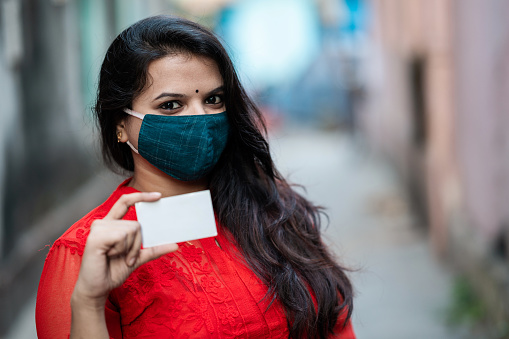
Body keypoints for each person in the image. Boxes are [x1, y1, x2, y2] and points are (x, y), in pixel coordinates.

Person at [35, 15, 355, 339]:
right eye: (171, 105)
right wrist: (89, 303)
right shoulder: (88, 254)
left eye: (213, 99)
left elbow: (335, 323)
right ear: (120, 124)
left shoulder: (274, 209)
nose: (200, 119)